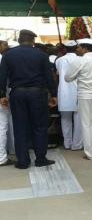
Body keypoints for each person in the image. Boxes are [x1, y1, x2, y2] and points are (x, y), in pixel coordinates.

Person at [0, 29, 57, 169]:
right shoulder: (42, 55)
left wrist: (2, 95)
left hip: (17, 94)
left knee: (20, 127)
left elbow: (2, 77)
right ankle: (40, 159)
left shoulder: (8, 55)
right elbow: (49, 77)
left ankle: (23, 161)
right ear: (32, 41)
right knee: (39, 126)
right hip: (37, 94)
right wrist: (54, 94)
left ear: (19, 40)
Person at [55, 40, 82, 151]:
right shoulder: (81, 59)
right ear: (76, 48)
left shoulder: (59, 60)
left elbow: (57, 74)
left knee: (65, 118)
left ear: (64, 49)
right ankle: (77, 144)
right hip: (79, 91)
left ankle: (67, 143)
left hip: (64, 92)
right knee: (78, 118)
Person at [0, 36, 14, 166]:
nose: (7, 46)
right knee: (2, 127)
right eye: (4, 44)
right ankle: (2, 158)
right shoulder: (2, 59)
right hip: (1, 98)